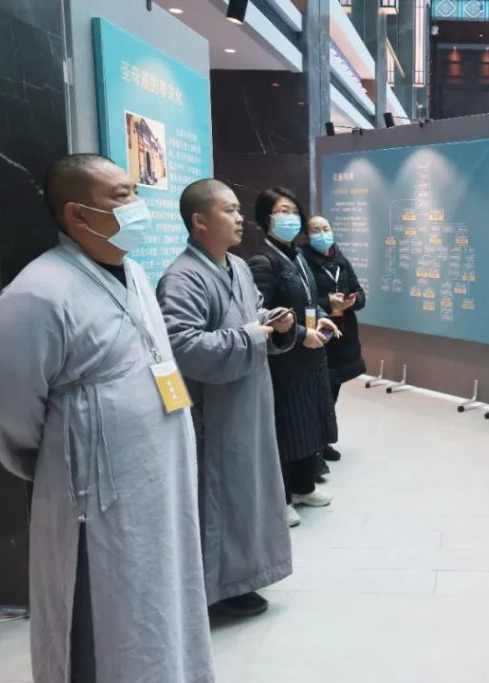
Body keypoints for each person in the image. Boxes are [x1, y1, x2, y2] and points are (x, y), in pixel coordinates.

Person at [0, 154, 214, 682]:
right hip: (97, 499)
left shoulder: (133, 272)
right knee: (109, 612)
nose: (137, 207)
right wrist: (59, 463)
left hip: (160, 485)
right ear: (78, 214)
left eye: (135, 193)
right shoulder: (36, 294)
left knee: (165, 594)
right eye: (121, 196)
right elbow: (7, 413)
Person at [157, 178, 295, 617]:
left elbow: (251, 314)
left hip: (249, 402)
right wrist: (254, 335)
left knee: (251, 494)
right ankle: (216, 588)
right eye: (229, 210)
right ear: (199, 221)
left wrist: (273, 321)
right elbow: (182, 346)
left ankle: (243, 576)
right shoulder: (182, 278)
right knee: (221, 498)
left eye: (238, 210)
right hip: (214, 414)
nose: (240, 219)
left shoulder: (236, 265)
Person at [248, 187, 340, 526]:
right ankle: (281, 498)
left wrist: (322, 318)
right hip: (284, 361)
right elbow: (262, 312)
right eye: (282, 211)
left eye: (294, 210)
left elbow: (307, 301)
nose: (291, 217)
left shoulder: (298, 255)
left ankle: (303, 487)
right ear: (266, 218)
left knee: (309, 425)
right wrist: (301, 334)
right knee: (287, 429)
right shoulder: (263, 261)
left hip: (311, 358)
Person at [301, 214, 367, 462]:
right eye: (315, 230)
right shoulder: (302, 261)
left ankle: (324, 440)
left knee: (332, 390)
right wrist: (327, 303)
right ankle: (312, 447)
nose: (322, 234)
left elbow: (360, 293)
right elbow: (302, 300)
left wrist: (352, 301)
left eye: (325, 228)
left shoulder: (340, 259)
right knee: (317, 394)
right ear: (307, 235)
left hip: (343, 335)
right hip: (318, 334)